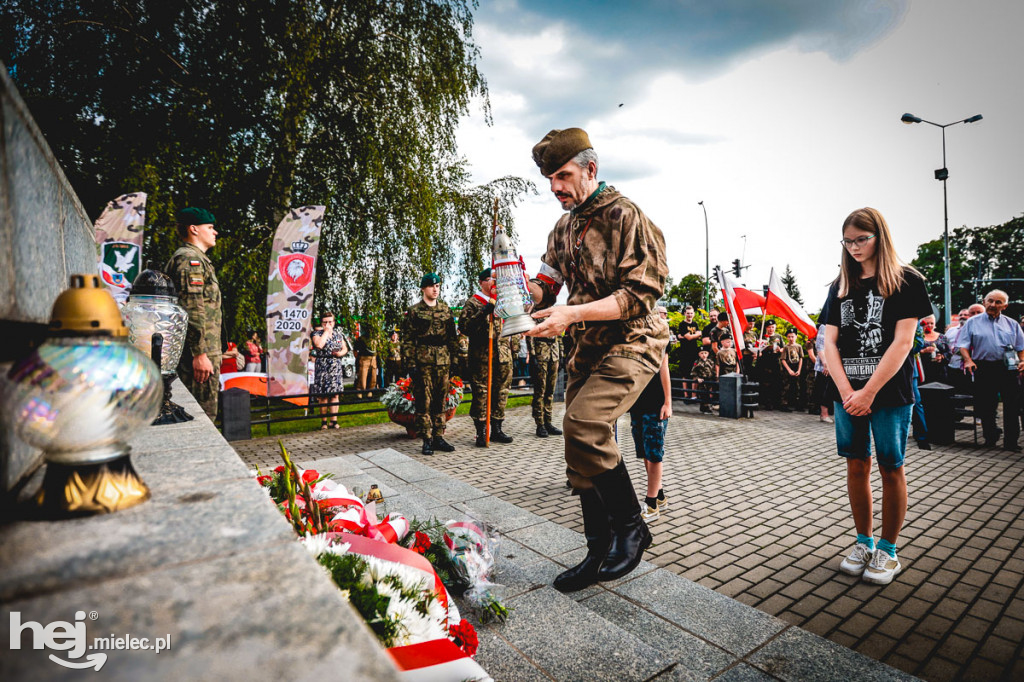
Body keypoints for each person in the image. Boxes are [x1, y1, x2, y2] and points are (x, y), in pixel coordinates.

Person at [525, 128, 669, 592]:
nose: (556, 187)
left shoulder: (627, 216)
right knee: (579, 447)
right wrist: (512, 295)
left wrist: (570, 314)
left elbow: (640, 295)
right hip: (587, 349)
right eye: (550, 178)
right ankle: (596, 548)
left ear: (591, 169)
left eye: (563, 175)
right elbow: (544, 285)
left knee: (585, 424)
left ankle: (632, 528)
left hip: (634, 340)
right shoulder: (562, 227)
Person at [823, 207, 932, 586]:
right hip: (847, 393)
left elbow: (904, 342)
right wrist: (846, 390)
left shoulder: (906, 281)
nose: (854, 247)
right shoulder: (841, 284)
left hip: (888, 394)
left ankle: (888, 550)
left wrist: (869, 392)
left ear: (879, 237)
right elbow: (828, 342)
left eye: (861, 239)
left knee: (891, 466)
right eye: (848, 241)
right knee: (856, 464)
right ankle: (863, 542)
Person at [165, 207, 223, 419]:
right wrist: (199, 353)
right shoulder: (190, 260)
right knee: (201, 416)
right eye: (210, 227)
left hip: (204, 352)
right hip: (198, 355)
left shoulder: (196, 259)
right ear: (194, 229)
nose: (215, 232)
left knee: (204, 414)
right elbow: (192, 307)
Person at [957, 290, 1024, 451]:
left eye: (998, 302)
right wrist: (968, 360)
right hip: (984, 367)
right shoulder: (972, 322)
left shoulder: (1012, 324)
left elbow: (1021, 347)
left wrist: (1022, 361)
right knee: (986, 405)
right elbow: (962, 345)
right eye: (990, 301)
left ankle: (1011, 442)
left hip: (1007, 367)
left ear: (1005, 306)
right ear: (984, 302)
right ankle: (990, 437)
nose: (993, 305)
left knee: (1011, 406)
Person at [402, 273, 459, 455]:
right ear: (423, 288)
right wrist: (411, 364)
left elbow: (452, 338)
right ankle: (426, 439)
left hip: (443, 360)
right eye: (431, 286)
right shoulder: (414, 311)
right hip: (423, 360)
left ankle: (439, 437)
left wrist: (455, 361)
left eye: (438, 286)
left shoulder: (445, 310)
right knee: (423, 402)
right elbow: (408, 340)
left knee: (440, 401)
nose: (435, 289)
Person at [459, 269, 515, 446]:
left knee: (501, 392)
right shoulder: (474, 302)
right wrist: (484, 311)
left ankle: (497, 428)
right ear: (482, 282)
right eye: (491, 279)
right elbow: (464, 327)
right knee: (482, 393)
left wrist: (513, 349)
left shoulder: (503, 302)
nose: (494, 282)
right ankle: (482, 431)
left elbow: (512, 327)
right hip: (483, 356)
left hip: (503, 356)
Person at [630, 350, 672, 522]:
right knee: (645, 452)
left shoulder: (658, 333)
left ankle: (652, 504)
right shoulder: (632, 334)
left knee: (654, 454)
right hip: (636, 403)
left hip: (656, 403)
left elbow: (664, 368)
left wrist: (668, 402)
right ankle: (659, 495)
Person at [528, 309, 562, 437]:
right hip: (541, 352)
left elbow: (559, 334)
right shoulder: (536, 313)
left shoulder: (553, 313)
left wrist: (561, 354)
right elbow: (530, 335)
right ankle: (540, 424)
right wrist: (532, 355)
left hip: (554, 353)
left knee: (550, 391)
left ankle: (548, 422)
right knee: (540, 391)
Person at [311, 312, 348, 429]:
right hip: (323, 366)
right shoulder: (317, 333)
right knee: (323, 396)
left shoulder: (338, 335)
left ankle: (334, 420)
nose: (328, 324)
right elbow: (319, 345)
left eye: (330, 322)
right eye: (325, 322)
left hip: (335, 366)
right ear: (322, 323)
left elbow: (345, 348)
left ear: (334, 322)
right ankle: (324, 422)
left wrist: (340, 353)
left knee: (335, 395)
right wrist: (326, 332)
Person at [674, 306, 702, 394]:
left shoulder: (695, 324)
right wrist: (695, 335)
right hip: (684, 352)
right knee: (685, 374)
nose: (689, 315)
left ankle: (694, 394)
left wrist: (686, 336)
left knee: (694, 373)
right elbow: (690, 337)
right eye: (688, 313)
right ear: (685, 314)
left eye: (691, 313)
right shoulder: (682, 324)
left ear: (693, 314)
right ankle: (685, 394)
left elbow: (698, 334)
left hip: (694, 351)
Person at [812, 320, 835, 423]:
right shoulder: (824, 327)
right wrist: (825, 363)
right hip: (824, 365)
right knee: (825, 389)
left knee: (831, 390)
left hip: (835, 364)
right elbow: (820, 347)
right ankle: (824, 414)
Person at [759, 320, 783, 410]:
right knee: (766, 383)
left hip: (775, 361)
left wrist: (779, 349)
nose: (771, 329)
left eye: (773, 327)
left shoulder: (778, 336)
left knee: (776, 382)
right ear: (766, 328)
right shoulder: (762, 336)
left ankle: (776, 402)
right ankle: (767, 403)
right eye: (769, 327)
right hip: (765, 362)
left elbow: (783, 348)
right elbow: (758, 348)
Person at [779, 328, 804, 412]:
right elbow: (783, 359)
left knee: (797, 386)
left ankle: (797, 404)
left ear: (796, 337)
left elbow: (801, 358)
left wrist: (799, 370)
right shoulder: (786, 347)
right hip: (788, 368)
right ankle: (784, 404)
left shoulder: (799, 346)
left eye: (792, 336)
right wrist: (789, 370)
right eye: (789, 337)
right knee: (786, 386)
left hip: (796, 367)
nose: (791, 338)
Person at [919, 315, 948, 384]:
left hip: (940, 370)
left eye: (932, 323)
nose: (929, 325)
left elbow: (949, 352)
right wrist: (923, 351)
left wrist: (942, 356)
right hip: (923, 369)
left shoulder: (942, 337)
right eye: (927, 323)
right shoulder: (917, 336)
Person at [353, 326, 378, 399]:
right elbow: (355, 350)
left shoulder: (375, 339)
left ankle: (370, 391)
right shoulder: (361, 339)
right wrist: (358, 358)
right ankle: (359, 391)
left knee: (373, 377)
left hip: (373, 359)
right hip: (364, 358)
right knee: (362, 377)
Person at [690, 348, 716, 413]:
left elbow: (713, 370)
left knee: (709, 393)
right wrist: (697, 378)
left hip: (710, 380)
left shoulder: (711, 362)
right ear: (699, 354)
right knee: (703, 394)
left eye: (705, 353)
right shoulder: (697, 362)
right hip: (702, 380)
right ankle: (705, 407)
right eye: (702, 353)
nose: (704, 355)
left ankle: (707, 406)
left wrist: (715, 377)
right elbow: (693, 372)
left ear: (708, 354)